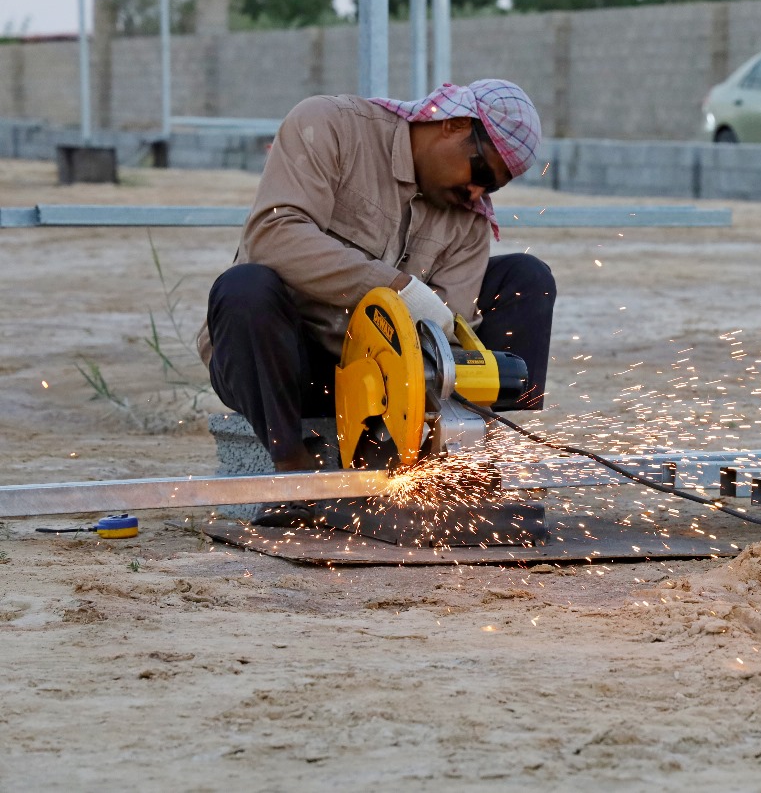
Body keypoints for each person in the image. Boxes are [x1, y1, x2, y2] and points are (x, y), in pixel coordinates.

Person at [197, 79, 555, 525]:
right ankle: (293, 475)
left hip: (383, 385)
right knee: (245, 288)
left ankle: (480, 466)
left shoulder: (468, 222)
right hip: (284, 369)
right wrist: (397, 288)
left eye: (492, 188)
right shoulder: (331, 127)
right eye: (480, 172)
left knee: (527, 278)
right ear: (454, 124)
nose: (476, 194)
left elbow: (446, 347)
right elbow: (273, 237)